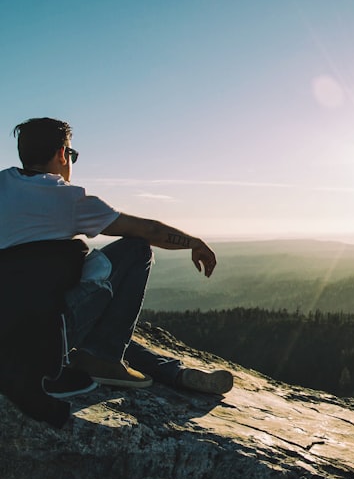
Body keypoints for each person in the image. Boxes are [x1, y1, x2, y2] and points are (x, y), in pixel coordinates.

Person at [1, 117, 232, 406]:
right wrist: (194, 243)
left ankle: (175, 373)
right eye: (72, 154)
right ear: (62, 154)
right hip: (49, 330)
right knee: (136, 250)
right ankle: (110, 361)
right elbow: (148, 232)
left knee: (91, 335)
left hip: (9, 332)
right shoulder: (67, 200)